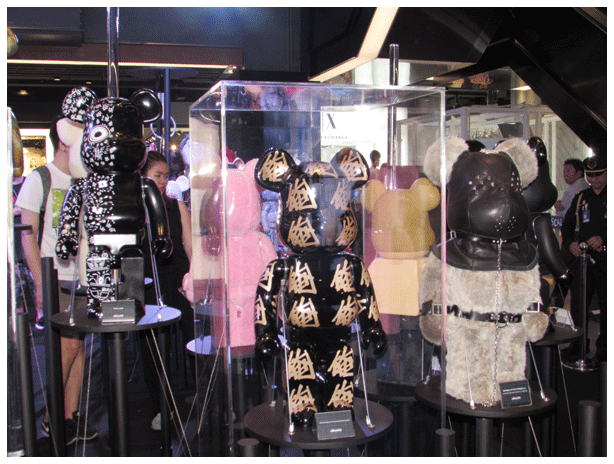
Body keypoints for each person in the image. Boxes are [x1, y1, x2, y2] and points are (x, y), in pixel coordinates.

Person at [15, 116, 98, 444]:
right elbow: (28, 234)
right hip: (56, 277)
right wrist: (40, 283)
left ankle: (69, 417)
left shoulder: (84, 179)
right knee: (68, 347)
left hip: (81, 277)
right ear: (64, 140)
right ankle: (52, 417)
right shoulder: (41, 178)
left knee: (78, 348)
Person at [140, 150, 194, 430]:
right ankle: (161, 406)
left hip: (178, 277)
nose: (162, 181)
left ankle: (205, 395)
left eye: (165, 176)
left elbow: (188, 244)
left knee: (193, 334)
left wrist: (195, 279)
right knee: (153, 346)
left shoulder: (177, 205)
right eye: (157, 175)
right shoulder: (137, 209)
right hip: (149, 280)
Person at [560, 155, 607, 363]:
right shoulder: (581, 197)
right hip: (584, 258)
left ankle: (604, 349)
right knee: (579, 305)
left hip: (606, 258)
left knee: (606, 306)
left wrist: (603, 238)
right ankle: (579, 344)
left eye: (599, 175)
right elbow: (567, 225)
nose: (594, 180)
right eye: (591, 176)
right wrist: (570, 243)